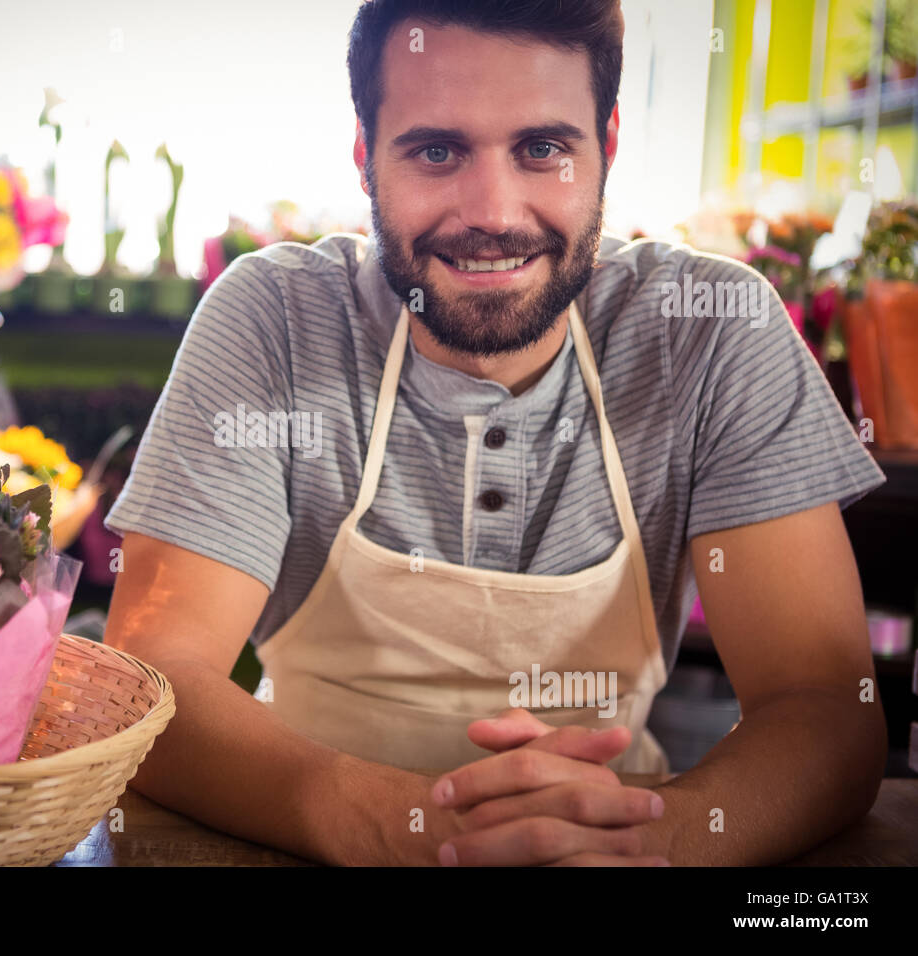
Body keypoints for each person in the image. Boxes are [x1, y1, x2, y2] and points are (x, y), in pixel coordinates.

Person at [101, 0, 888, 866]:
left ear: (607, 149)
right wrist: (403, 828)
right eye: (438, 150)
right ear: (365, 158)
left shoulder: (712, 328)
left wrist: (655, 840)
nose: (492, 211)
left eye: (542, 149)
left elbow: (824, 704)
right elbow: (152, 681)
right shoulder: (273, 319)